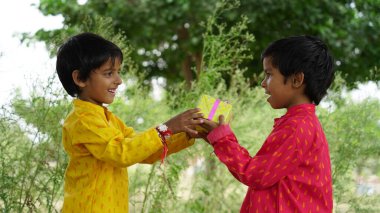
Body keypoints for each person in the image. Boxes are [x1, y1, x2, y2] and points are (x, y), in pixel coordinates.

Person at [56, 32, 203, 212]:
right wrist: (167, 128)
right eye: (109, 73)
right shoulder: (82, 120)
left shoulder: (108, 119)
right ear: (80, 78)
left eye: (118, 72)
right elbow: (121, 153)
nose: (119, 80)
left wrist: (188, 131)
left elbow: (144, 151)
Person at [200, 35, 335, 212]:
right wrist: (215, 137)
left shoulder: (297, 126)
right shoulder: (301, 123)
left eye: (269, 74)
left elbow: (255, 174)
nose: (263, 84)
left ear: (297, 80)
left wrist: (222, 140)